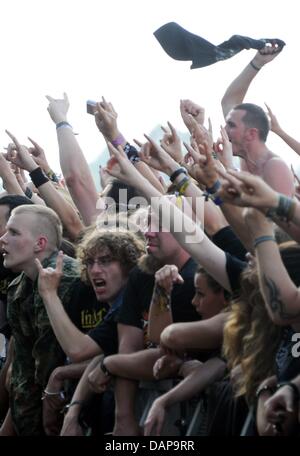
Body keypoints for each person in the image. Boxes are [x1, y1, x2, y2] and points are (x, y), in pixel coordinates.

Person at [0, 204, 79, 435]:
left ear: (40, 244)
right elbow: (23, 372)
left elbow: (53, 358)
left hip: (76, 401)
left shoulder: (69, 278)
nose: (3, 239)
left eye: (13, 233)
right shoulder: (17, 288)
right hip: (39, 408)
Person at [221, 45, 294, 196]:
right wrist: (257, 63)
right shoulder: (247, 160)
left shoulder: (274, 167)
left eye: (231, 125)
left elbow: (277, 220)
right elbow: (229, 101)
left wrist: (228, 167)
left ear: (251, 134)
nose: (224, 130)